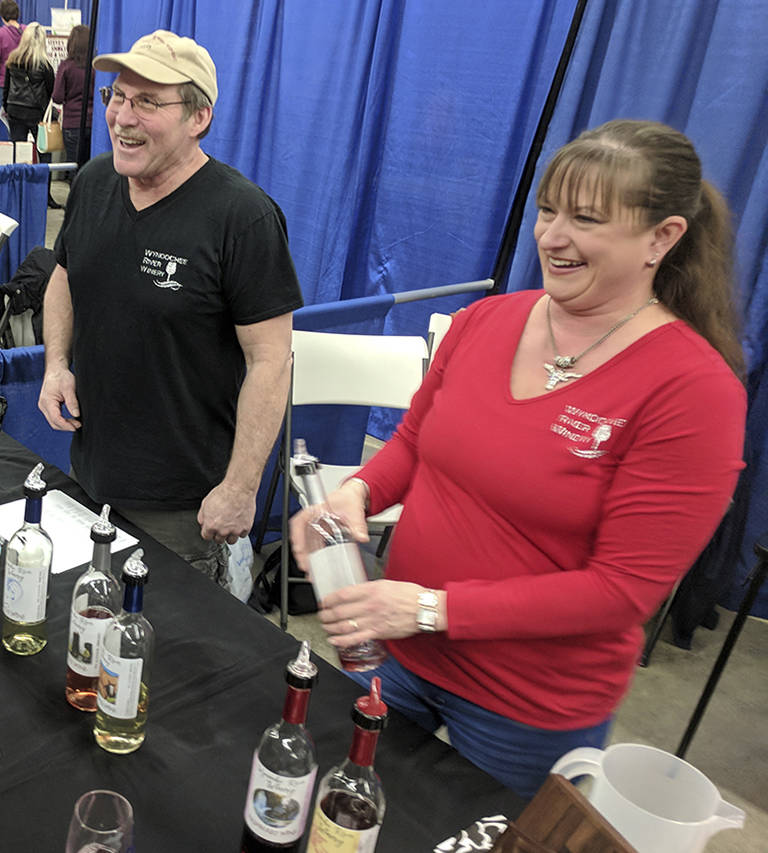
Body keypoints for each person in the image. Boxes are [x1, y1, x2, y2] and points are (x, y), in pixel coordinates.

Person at [290, 119, 746, 798]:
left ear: (663, 237)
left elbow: (621, 591)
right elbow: (416, 443)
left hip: (527, 705)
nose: (552, 236)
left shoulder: (693, 391)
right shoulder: (487, 322)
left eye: (586, 218)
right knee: (342, 811)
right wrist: (355, 492)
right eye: (547, 209)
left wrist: (428, 608)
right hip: (396, 652)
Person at [39, 31, 302, 590]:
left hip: (182, 507)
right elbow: (64, 276)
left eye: (148, 102)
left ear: (198, 117)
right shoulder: (93, 182)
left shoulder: (243, 218)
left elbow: (271, 362)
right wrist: (56, 364)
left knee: (160, 659)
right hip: (89, 472)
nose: (122, 117)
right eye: (117, 96)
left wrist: (240, 488)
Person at [1, 22, 54, 145]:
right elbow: (50, 91)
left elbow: (6, 88)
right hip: (36, 112)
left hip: (14, 109)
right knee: (44, 149)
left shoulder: (12, 60)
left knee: (18, 151)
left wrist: (6, 106)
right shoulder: (45, 66)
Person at [52, 23, 91, 171]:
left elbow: (57, 97)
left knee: (74, 167)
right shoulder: (95, 66)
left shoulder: (66, 67)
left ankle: (75, 193)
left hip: (72, 125)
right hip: (92, 124)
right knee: (90, 168)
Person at [0, 0, 21, 90]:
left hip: (5, 81)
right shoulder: (27, 31)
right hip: (23, 82)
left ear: (2, 16)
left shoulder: (0, 34)